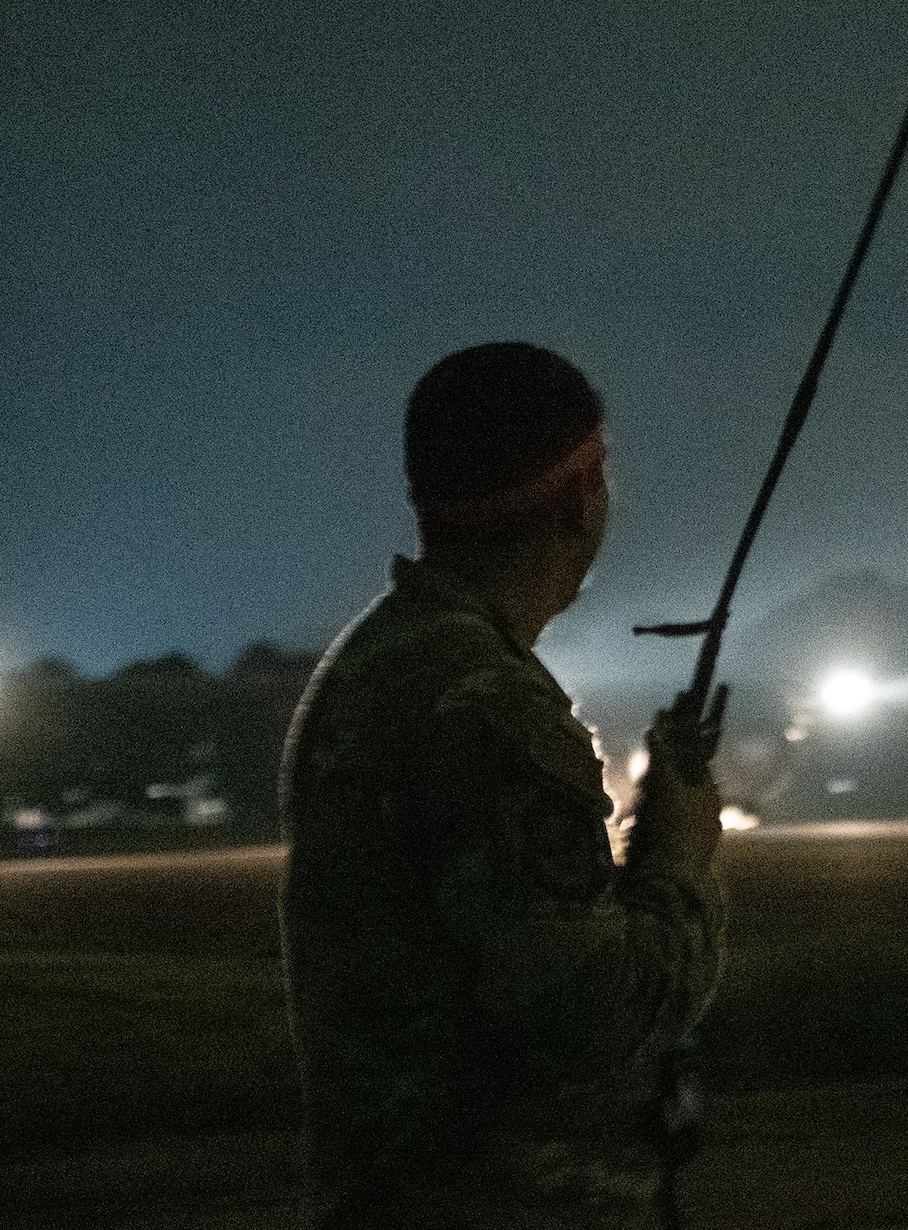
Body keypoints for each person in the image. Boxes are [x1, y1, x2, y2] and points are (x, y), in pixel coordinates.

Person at [279, 342, 726, 1230]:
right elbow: (597, 1031)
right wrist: (678, 854)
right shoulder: (489, 711)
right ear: (576, 503)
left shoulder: (378, 661)